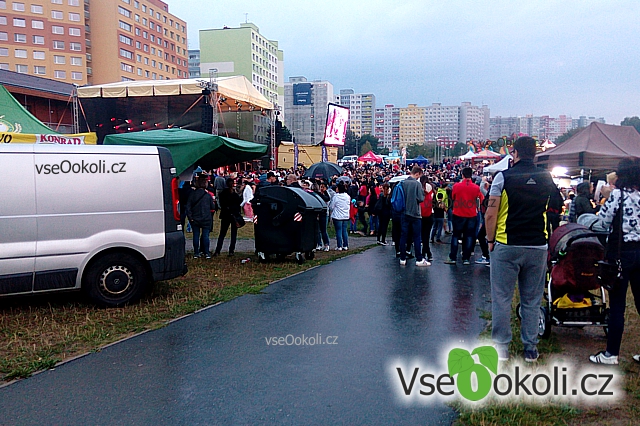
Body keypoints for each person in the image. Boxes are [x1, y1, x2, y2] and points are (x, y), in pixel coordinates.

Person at [485, 136, 560, 362]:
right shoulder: (547, 178)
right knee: (532, 299)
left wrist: (489, 241)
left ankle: (501, 347)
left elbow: (491, 213)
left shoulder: (503, 178)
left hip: (506, 244)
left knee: (502, 297)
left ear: (514, 153)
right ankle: (530, 348)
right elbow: (556, 208)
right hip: (537, 244)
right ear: (535, 154)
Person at [589, 159, 640, 364]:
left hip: (620, 253)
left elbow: (603, 221)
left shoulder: (618, 196)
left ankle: (611, 354)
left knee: (618, 305)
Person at [445, 167, 482, 265]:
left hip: (458, 213)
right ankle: (466, 258)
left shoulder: (457, 186)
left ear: (462, 175)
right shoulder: (476, 187)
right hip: (471, 214)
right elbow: (480, 199)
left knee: (456, 236)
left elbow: (452, 197)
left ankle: (452, 257)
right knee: (469, 236)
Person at [398, 166, 430, 267]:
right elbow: (420, 198)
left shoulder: (403, 183)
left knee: (403, 236)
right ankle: (419, 259)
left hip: (404, 212)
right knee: (416, 237)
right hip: (415, 214)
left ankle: (402, 258)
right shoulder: (417, 184)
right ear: (417, 173)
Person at [185, 176, 216, 259]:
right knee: (205, 236)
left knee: (196, 235)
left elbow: (188, 207)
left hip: (195, 218)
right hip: (206, 218)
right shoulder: (208, 195)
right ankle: (206, 252)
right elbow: (212, 207)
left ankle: (196, 252)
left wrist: (190, 217)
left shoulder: (192, 194)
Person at [214, 177, 242, 257]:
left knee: (222, 233)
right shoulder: (235, 194)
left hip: (226, 215)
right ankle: (231, 251)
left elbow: (222, 204)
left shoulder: (223, 194)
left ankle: (217, 250)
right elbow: (238, 203)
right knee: (233, 233)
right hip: (234, 215)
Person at [329, 182, 350, 251]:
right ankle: (346, 245)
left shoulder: (336, 197)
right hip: (345, 215)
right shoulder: (347, 196)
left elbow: (332, 206)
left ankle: (339, 246)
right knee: (344, 230)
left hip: (337, 216)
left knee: (338, 231)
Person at [420, 177, 434, 262]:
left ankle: (424, 253)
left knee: (421, 235)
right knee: (426, 235)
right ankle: (427, 253)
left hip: (420, 214)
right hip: (430, 213)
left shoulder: (419, 188)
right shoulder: (430, 188)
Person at [315, 181, 331, 251]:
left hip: (324, 214)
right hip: (318, 214)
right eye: (321, 187)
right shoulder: (317, 194)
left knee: (323, 230)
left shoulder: (327, 195)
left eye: (323, 187)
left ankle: (326, 244)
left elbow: (327, 199)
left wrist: (322, 193)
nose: (321, 188)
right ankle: (319, 244)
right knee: (317, 230)